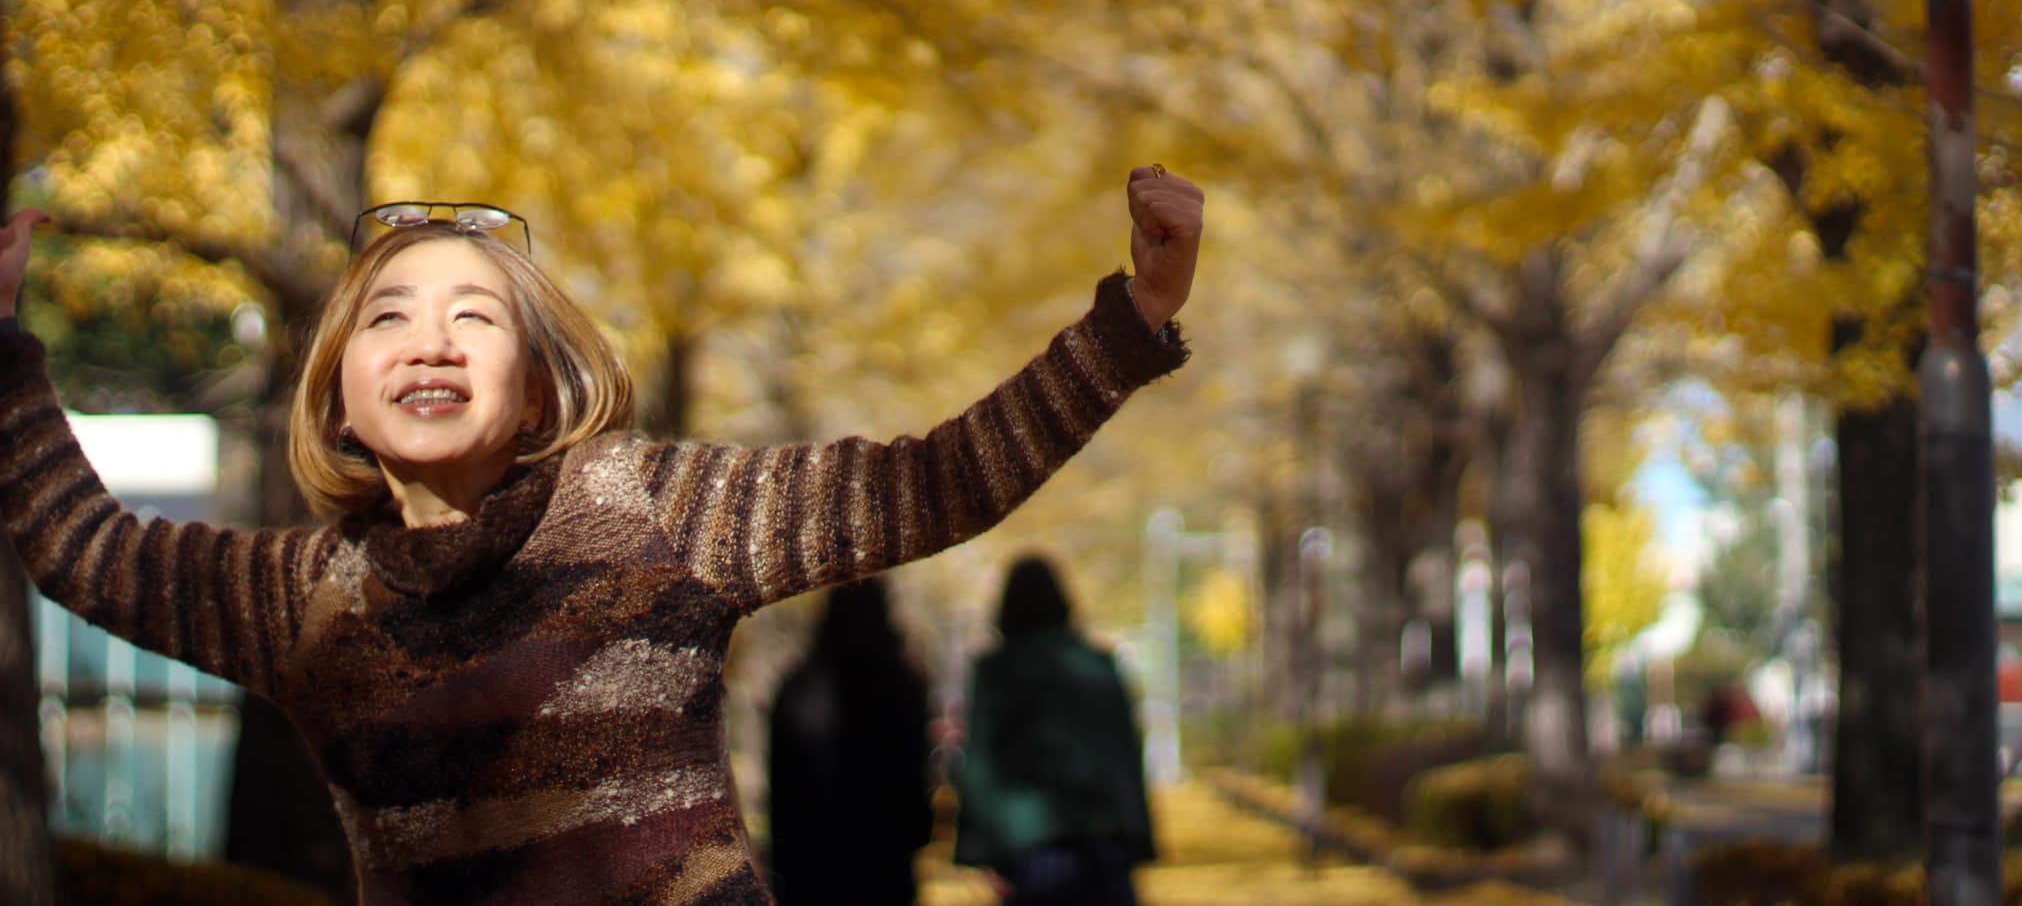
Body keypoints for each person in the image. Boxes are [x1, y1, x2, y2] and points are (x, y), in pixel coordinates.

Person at [0, 165, 1202, 905]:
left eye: (474, 316)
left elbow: (930, 484)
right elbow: (77, 546)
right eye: (389, 319)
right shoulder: (296, 592)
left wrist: (1130, 321)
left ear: (534, 390)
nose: (431, 342)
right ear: (336, 394)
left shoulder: (653, 513)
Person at [952, 556, 1154, 906]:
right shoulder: (1099, 667)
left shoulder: (996, 673)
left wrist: (979, 848)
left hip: (1029, 845)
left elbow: (982, 761)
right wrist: (1136, 837)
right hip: (1103, 841)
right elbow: (1126, 755)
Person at [766, 578, 932, 906]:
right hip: (884, 867)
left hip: (813, 868)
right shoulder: (899, 686)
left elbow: (782, 789)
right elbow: (912, 778)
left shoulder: (802, 688)